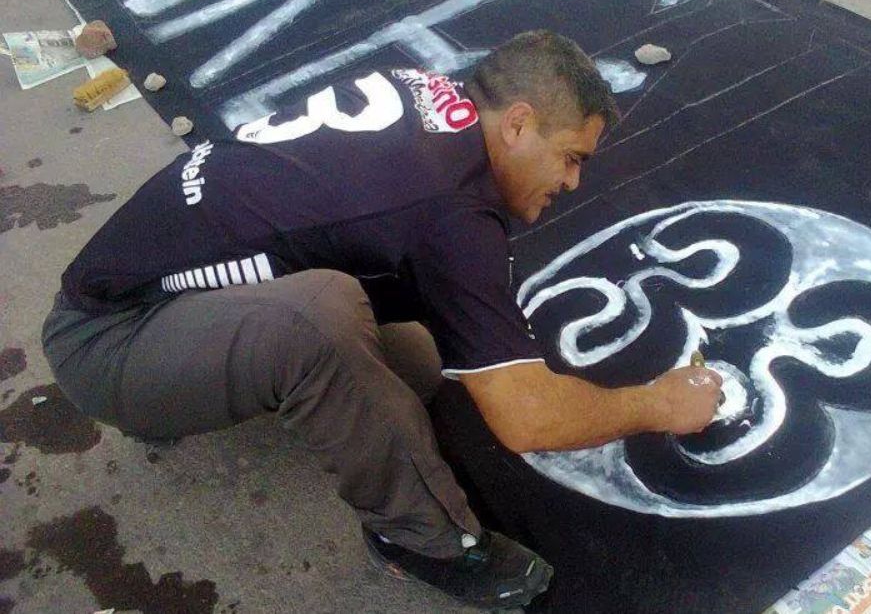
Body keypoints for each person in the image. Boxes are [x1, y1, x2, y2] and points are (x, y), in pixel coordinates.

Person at [41, 30, 723, 609]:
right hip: (105, 340)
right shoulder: (450, 210)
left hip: (141, 291)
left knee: (417, 361)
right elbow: (529, 421)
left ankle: (250, 369)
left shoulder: (423, 93)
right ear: (516, 123)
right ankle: (424, 541)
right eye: (571, 158)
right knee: (319, 322)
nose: (572, 182)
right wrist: (659, 403)